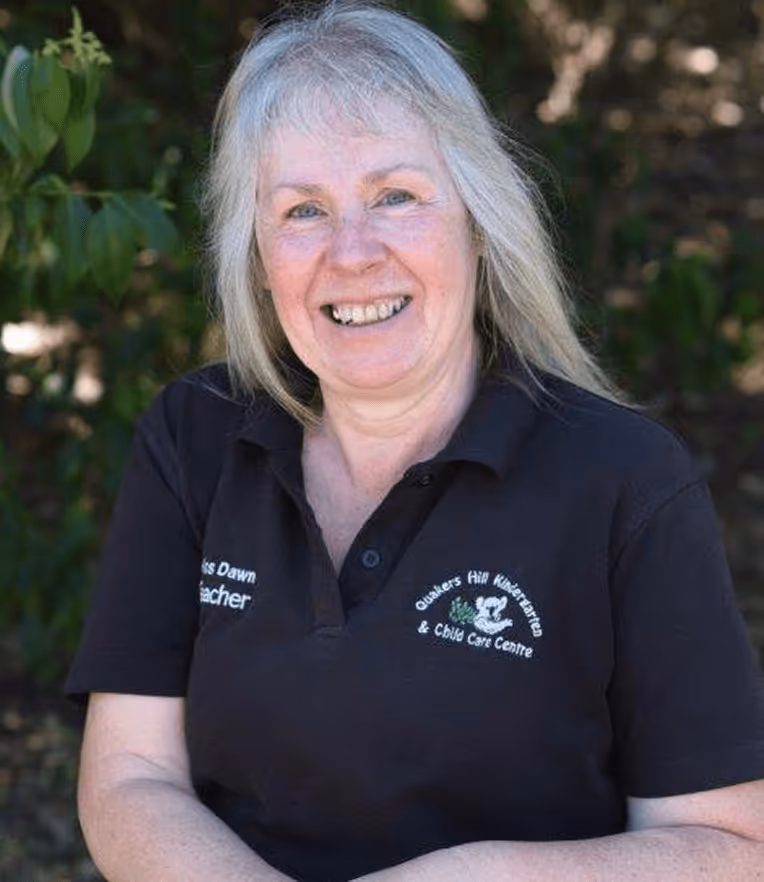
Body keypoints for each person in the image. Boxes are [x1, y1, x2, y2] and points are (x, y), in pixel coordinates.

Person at [65, 2, 764, 880]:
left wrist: (473, 877)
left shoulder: (624, 481)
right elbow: (130, 774)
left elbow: (729, 846)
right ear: (258, 258)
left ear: (478, 221)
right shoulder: (194, 435)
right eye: (303, 210)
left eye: (395, 196)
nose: (353, 253)